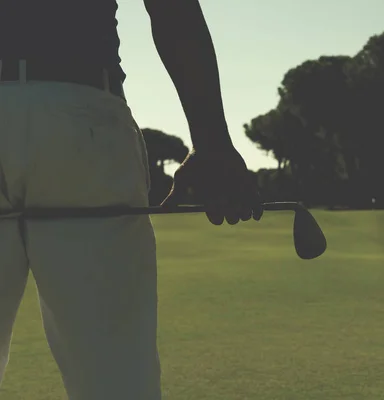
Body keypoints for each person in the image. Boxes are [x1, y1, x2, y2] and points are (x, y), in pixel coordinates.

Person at [0, 0, 262, 398]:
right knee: (116, 383)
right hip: (82, 118)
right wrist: (211, 143)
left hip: (83, 115)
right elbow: (173, 10)